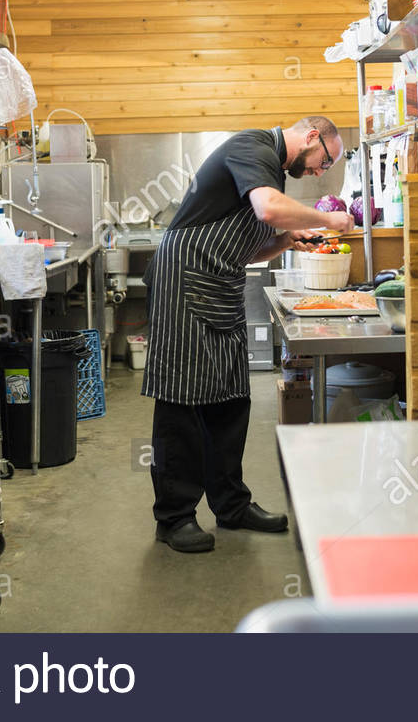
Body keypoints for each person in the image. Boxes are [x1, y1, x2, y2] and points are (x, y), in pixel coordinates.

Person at [142, 116, 354, 552]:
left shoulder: (271, 169)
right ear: (312, 137)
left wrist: (285, 241)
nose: (317, 172)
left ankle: (231, 505)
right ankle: (174, 517)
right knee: (182, 403)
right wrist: (329, 219)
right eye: (322, 162)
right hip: (184, 280)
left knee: (231, 399)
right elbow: (269, 210)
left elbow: (247, 242)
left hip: (219, 284)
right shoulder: (252, 147)